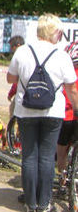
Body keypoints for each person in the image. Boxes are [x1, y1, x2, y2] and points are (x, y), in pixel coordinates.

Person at [6, 14, 78, 212]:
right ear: (55, 33)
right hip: (53, 112)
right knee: (46, 158)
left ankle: (30, 203)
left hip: (26, 110)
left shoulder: (22, 52)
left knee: (29, 157)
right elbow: (71, 89)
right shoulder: (62, 55)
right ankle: (44, 204)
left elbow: (10, 78)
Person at [57, 42, 78, 194]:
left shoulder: (64, 71)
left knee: (62, 152)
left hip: (66, 117)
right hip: (73, 116)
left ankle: (63, 182)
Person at [7, 35, 26, 118]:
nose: (11, 49)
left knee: (12, 110)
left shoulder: (20, 56)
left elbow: (15, 80)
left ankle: (11, 130)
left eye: (12, 47)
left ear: (18, 46)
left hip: (23, 93)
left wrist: (11, 94)